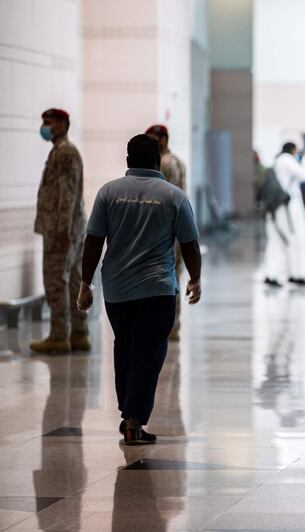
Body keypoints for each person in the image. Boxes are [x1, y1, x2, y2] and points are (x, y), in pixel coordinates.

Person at [77, 134, 202, 445]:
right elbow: (190, 244)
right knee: (149, 354)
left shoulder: (109, 193)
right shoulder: (174, 196)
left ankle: (128, 413)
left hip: (117, 291)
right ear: (159, 160)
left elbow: (93, 241)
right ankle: (134, 420)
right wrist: (195, 279)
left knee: (126, 348)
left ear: (128, 160)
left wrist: (85, 283)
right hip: (158, 290)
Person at [30, 108, 89, 353]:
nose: (45, 127)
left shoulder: (65, 152)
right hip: (70, 229)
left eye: (50, 123)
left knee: (56, 281)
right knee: (74, 281)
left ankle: (58, 336)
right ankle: (78, 333)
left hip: (61, 230)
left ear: (63, 125)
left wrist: (63, 230)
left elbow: (68, 194)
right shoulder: (62, 151)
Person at [146, 125, 187, 340]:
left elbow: (160, 200)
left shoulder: (163, 164)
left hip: (165, 232)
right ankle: (174, 325)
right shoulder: (178, 161)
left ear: (163, 140)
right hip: (178, 230)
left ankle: (167, 325)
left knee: (163, 279)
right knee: (173, 278)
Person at [263, 142, 305, 287]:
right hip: (287, 207)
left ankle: (278, 274)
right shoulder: (286, 159)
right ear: (292, 150)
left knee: (279, 240)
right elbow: (303, 175)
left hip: (280, 207)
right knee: (294, 239)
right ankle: (297, 274)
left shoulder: (279, 161)